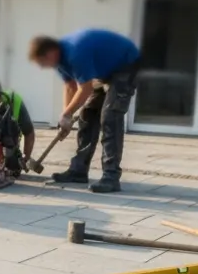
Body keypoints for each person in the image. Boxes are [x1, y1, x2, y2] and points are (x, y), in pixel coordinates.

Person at [29, 28, 141, 192]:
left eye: (41, 62)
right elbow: (70, 87)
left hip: (127, 65)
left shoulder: (75, 53)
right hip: (106, 71)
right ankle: (78, 171)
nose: (42, 67)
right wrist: (66, 118)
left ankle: (111, 177)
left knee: (110, 118)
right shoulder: (59, 60)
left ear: (50, 53)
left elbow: (85, 89)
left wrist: (66, 114)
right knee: (87, 115)